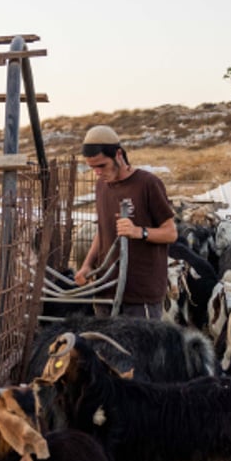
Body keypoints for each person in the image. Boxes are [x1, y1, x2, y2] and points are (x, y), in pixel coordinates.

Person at [74, 125, 178, 318]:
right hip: (105, 289)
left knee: (140, 348)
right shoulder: (101, 186)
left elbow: (170, 232)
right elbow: (103, 231)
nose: (97, 172)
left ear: (119, 154)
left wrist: (140, 232)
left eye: (102, 165)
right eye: (92, 167)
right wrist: (87, 265)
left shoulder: (147, 184)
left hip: (140, 295)